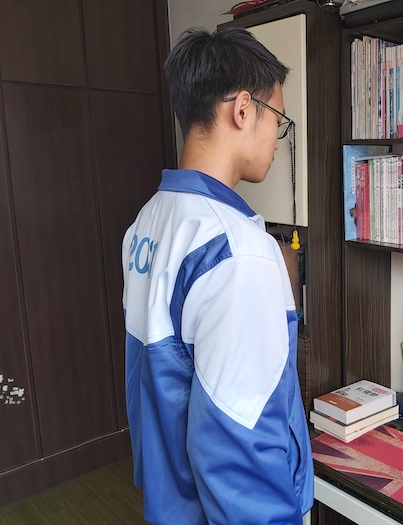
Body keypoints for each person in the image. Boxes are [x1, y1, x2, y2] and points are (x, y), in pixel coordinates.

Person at [121, 27, 313, 524]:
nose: (277, 140)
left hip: (170, 503)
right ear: (243, 109)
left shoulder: (147, 222)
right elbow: (239, 442)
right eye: (279, 120)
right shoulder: (237, 252)